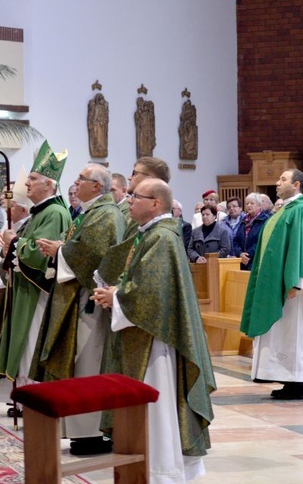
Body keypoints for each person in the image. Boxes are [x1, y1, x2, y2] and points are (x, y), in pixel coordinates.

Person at [92, 178, 215, 483]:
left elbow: (151, 294)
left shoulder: (161, 238)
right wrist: (118, 291)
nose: (129, 200)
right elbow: (144, 282)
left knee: (156, 406)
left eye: (136, 196)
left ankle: (161, 471)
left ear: (156, 203)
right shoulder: (151, 234)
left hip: (155, 342)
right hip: (145, 333)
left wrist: (117, 297)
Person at [29, 163, 126, 456]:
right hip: (78, 298)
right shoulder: (91, 212)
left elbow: (94, 255)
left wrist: (60, 250)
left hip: (91, 302)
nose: (76, 182)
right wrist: (62, 248)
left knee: (89, 363)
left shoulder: (106, 214)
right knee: (81, 364)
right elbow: (81, 248)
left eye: (81, 179)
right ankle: (83, 431)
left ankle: (94, 433)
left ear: (97, 186)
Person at [240, 169, 303, 400]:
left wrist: (298, 282)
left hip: (294, 288)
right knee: (286, 333)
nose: (277, 182)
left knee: (297, 332)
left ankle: (302, 382)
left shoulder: (301, 210)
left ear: (297, 185)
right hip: (279, 284)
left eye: (282, 179)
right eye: (278, 178)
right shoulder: (287, 209)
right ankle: (291, 380)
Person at [0, 141, 71, 402]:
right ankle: (25, 396)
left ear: (49, 185)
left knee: (32, 340)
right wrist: (11, 244)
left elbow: (42, 255)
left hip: (39, 294)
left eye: (33, 178)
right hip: (26, 291)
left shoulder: (55, 213)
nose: (27, 183)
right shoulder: (42, 212)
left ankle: (36, 397)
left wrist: (14, 242)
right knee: (24, 342)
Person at [0, 171, 33, 383]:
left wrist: (1, 246)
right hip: (7, 280)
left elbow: (23, 252)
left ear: (22, 208)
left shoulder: (28, 224)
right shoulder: (10, 222)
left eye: (8, 198)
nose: (4, 200)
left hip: (19, 286)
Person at [97, 156, 172, 287]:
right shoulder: (143, 217)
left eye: (135, 173)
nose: (130, 178)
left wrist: (116, 293)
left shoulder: (159, 231)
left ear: (149, 179)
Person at [232, 192, 270, 270]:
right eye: (247, 203)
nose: (249, 205)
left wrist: (248, 255)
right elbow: (236, 240)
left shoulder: (265, 220)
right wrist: (240, 253)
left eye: (252, 203)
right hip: (242, 262)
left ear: (259, 205)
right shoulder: (243, 220)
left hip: (257, 261)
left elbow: (263, 240)